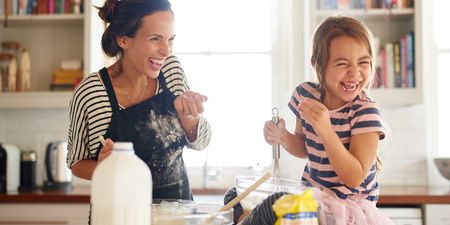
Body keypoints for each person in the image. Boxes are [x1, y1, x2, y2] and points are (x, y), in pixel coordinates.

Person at [224, 16, 393, 225]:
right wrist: (283, 137)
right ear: (317, 65)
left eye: (364, 63)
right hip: (314, 197)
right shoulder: (306, 95)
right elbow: (304, 147)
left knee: (274, 204)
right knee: (235, 196)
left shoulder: (365, 112)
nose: (355, 73)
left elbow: (354, 177)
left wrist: (326, 131)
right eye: (342, 64)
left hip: (347, 209)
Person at [67, 0, 211, 201]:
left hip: (176, 216)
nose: (166, 50)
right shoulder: (92, 92)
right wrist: (103, 167)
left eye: (170, 39)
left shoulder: (171, 72)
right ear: (123, 39)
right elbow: (76, 163)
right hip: (119, 216)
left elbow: (202, 142)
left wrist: (191, 121)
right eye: (155, 39)